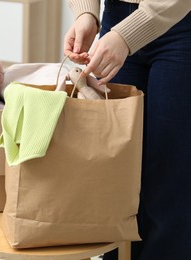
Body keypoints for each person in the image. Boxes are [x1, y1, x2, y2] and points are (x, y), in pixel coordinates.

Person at [64, 0, 191, 259]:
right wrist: (85, 13)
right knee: (116, 172)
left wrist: (126, 35)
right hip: (116, 19)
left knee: (169, 172)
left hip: (180, 21)